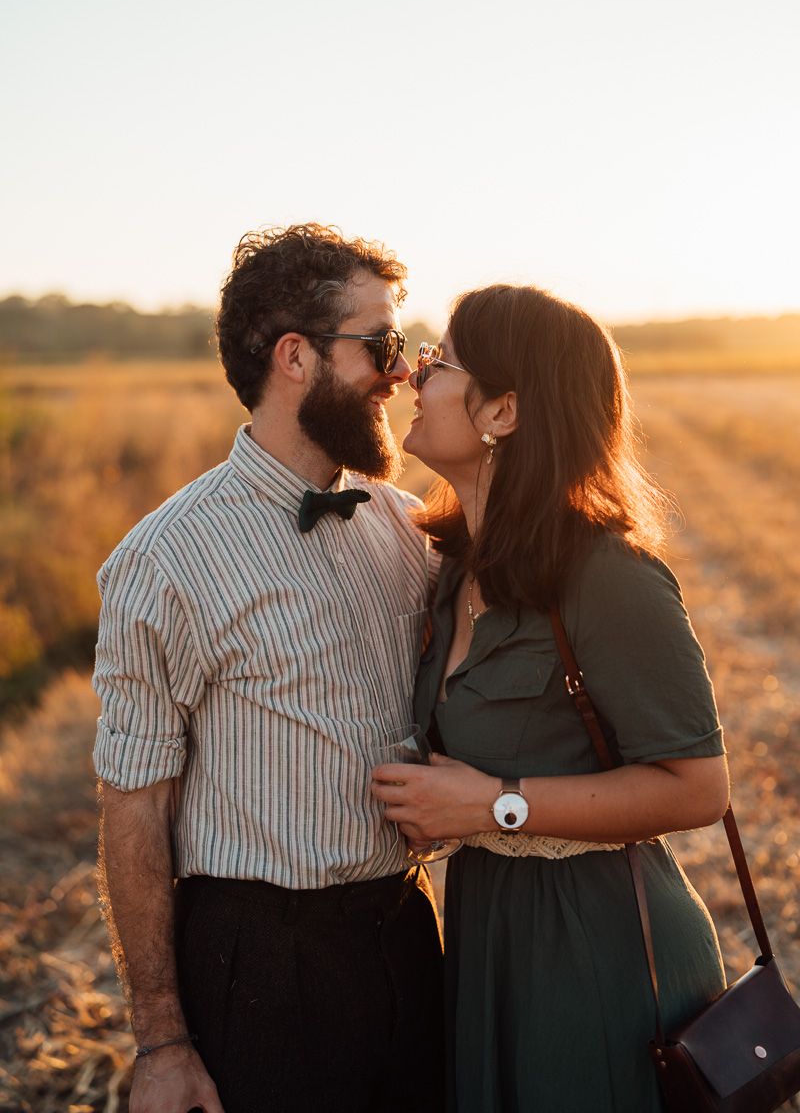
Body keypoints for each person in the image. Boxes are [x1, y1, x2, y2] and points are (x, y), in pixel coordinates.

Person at [93, 224, 444, 1113]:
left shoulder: (409, 528)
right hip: (258, 967)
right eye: (381, 345)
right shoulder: (167, 559)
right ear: (296, 356)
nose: (399, 373)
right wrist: (162, 1040)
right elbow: (134, 806)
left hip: (409, 934)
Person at [372, 284, 730, 1113]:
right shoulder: (452, 571)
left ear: (503, 410)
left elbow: (700, 787)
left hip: (598, 950)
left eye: (439, 359)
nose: (414, 376)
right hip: (489, 938)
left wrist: (492, 806)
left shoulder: (609, 577)